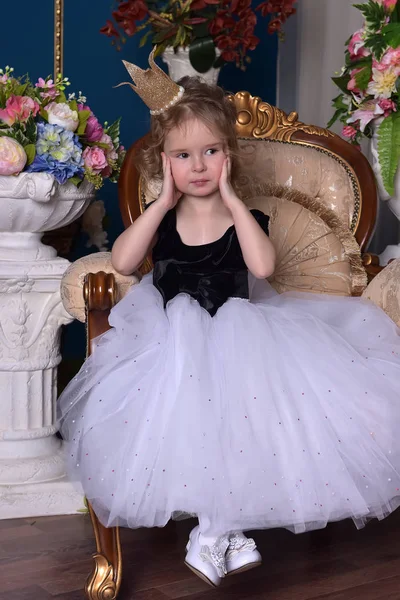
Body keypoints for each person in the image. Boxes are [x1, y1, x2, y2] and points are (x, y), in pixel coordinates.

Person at [58, 49, 400, 588]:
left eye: (211, 152)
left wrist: (235, 201)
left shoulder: (245, 216)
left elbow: (263, 265)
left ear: (229, 156)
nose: (198, 166)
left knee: (246, 415)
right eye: (183, 155)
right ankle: (222, 531)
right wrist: (160, 202)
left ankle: (217, 532)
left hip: (243, 332)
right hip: (172, 341)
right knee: (197, 411)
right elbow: (123, 262)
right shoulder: (164, 218)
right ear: (164, 162)